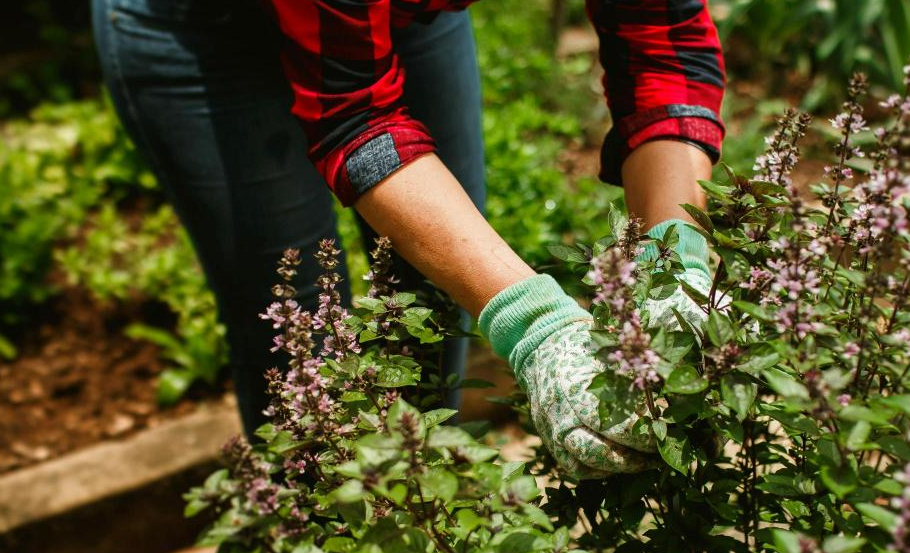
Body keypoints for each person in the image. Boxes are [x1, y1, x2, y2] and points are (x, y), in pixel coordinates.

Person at [92, 0, 726, 478]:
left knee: (431, 301)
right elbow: (356, 115)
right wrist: (539, 327)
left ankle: (420, 530)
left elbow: (661, 48)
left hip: (394, 14)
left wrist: (677, 264)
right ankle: (313, 543)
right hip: (209, 32)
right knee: (300, 340)